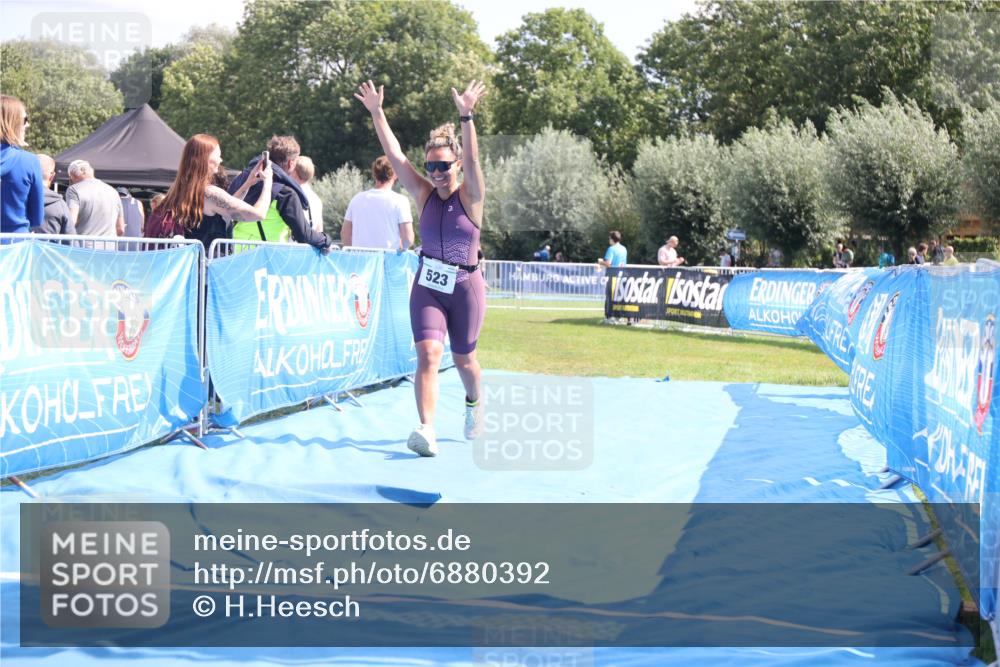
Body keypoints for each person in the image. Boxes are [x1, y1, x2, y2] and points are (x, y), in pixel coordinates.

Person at [356, 78, 487, 457]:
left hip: (466, 287)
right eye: (430, 165)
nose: (435, 172)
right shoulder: (424, 194)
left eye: (443, 165)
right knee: (429, 353)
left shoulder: (471, 196)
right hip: (429, 283)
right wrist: (377, 112)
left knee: (465, 361)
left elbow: (476, 160)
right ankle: (426, 429)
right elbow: (395, 155)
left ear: (457, 164)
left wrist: (467, 115)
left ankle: (474, 402)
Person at [145, 133, 272, 250]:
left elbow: (226, 209)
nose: (221, 160)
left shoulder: (180, 191)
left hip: (191, 269)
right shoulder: (209, 193)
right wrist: (268, 182)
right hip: (207, 269)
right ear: (205, 158)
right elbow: (258, 214)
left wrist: (247, 184)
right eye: (218, 155)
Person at [229, 136, 333, 250]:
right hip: (266, 256)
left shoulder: (245, 182)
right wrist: (326, 239)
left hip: (237, 252)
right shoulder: (285, 193)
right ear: (291, 163)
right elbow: (304, 235)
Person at [342, 155, 414, 250]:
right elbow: (408, 239)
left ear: (374, 174)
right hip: (388, 261)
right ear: (395, 174)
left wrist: (353, 253)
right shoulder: (401, 201)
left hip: (359, 261)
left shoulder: (356, 199)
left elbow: (345, 234)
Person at [1, 95, 44, 234]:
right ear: (12, 122)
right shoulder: (28, 161)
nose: (27, 125)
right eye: (25, 120)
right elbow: (37, 217)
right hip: (15, 246)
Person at [65, 160, 124, 237]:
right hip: (109, 246)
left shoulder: (73, 190)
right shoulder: (113, 191)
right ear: (91, 171)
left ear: (72, 176)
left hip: (82, 246)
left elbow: (71, 222)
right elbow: (121, 229)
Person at [33, 154, 74, 236]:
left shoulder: (13, 199)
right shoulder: (60, 205)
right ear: (52, 176)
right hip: (49, 248)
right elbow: (71, 240)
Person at [292, 156, 325, 234]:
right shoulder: (316, 199)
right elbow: (319, 229)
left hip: (291, 244)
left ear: (294, 172)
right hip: (310, 244)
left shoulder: (291, 194)